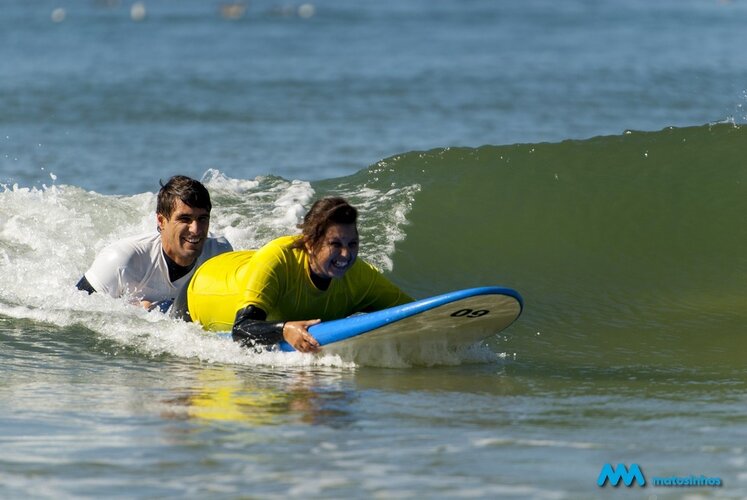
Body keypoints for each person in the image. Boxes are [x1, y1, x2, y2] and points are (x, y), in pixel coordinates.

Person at [174, 196, 412, 352]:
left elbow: (417, 314)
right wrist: (283, 330)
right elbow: (241, 328)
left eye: (352, 244)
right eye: (335, 244)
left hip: (245, 266)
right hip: (202, 291)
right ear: (309, 243)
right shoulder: (278, 260)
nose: (345, 254)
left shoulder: (359, 276)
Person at [76, 175, 233, 311]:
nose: (196, 229)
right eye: (185, 219)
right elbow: (77, 315)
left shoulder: (219, 254)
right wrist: (135, 314)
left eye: (202, 219)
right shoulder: (121, 261)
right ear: (161, 221)